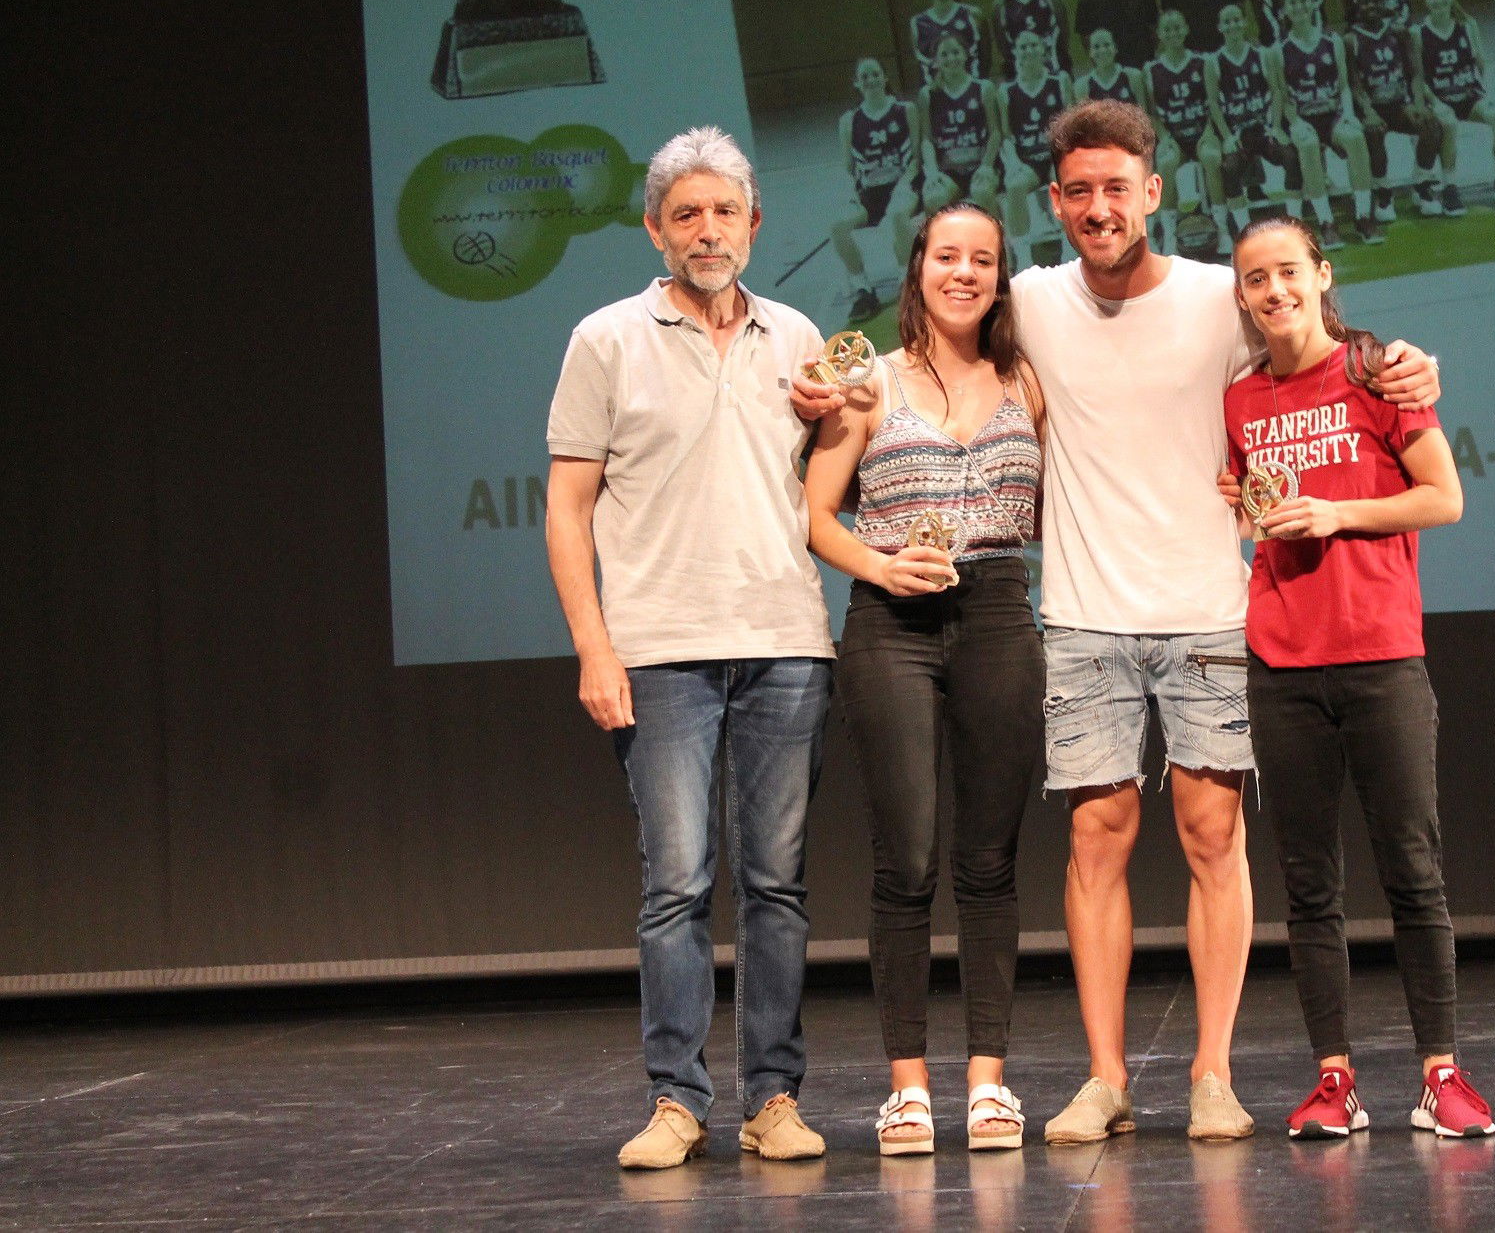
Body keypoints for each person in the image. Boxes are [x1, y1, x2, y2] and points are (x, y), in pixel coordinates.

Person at [792, 98, 1441, 1147]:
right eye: (1078, 192)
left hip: (1208, 614)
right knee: (1095, 840)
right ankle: (1102, 1078)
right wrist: (811, 392)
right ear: (1055, 202)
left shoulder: (1214, 299)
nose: (1098, 208)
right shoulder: (1031, 302)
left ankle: (1211, 1074)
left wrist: (1396, 362)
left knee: (1210, 835)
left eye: (1116, 189)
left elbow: (1312, 337)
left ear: (1152, 192)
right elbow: (905, 360)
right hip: (1085, 618)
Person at [545, 127, 833, 1171]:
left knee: (778, 883)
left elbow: (832, 478)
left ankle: (773, 1097)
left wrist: (838, 419)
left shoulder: (799, 336)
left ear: (755, 224)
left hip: (785, 642)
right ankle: (676, 1099)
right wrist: (593, 646)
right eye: (686, 214)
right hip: (659, 649)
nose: (706, 230)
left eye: (724, 212)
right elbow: (566, 505)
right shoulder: (606, 339)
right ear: (653, 228)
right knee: (674, 882)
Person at [1220, 214, 1495, 1143]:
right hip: (1283, 665)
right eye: (1255, 279)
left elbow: (1445, 497)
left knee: (1414, 873)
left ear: (1320, 274)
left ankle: (1442, 1076)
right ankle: (1333, 1079)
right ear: (1243, 296)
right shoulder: (1243, 396)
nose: (1274, 291)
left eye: (1288, 272)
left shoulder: (1376, 371)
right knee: (1310, 885)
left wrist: (1337, 514)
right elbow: (1252, 503)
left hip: (1381, 658)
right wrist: (1247, 501)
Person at [804, 203, 1047, 1157]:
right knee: (905, 858)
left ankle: (988, 1082)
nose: (965, 272)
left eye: (983, 259)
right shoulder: (868, 384)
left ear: (999, 276)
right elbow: (817, 514)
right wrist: (878, 566)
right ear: (919, 267)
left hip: (995, 611)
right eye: (948, 255)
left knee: (988, 860)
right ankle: (907, 1087)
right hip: (890, 622)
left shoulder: (1027, 377)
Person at [1275, 0, 1378, 245]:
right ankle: (1326, 221)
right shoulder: (1279, 51)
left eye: (1302, 1)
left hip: (1332, 115)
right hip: (1303, 118)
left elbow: (1344, 85)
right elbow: (1283, 95)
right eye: (1292, 3)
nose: (1298, 7)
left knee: (1355, 138)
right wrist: (1295, 122)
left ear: (1312, 4)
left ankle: (1364, 215)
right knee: (1308, 144)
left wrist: (1349, 113)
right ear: (1285, 10)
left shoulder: (1332, 42)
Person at [1413, 0, 1495, 213]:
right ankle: (1450, 186)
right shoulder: (1419, 32)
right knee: (1449, 124)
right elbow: (1418, 78)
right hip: (1441, 100)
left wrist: (1482, 91)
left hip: (1469, 97)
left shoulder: (1468, 25)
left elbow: (1481, 63)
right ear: (1425, 1)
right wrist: (1434, 102)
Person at [829, 57, 919, 321]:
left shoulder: (905, 110)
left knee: (898, 216)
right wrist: (849, 195)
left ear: (885, 78)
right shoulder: (849, 120)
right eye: (864, 76)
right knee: (838, 226)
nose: (870, 80)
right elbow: (847, 167)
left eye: (875, 74)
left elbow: (915, 158)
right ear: (857, 83)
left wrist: (904, 185)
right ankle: (863, 288)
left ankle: (907, 283)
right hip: (869, 195)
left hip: (903, 187)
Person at [1346, 0, 1444, 223]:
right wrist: (1368, 112)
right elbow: (1354, 84)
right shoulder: (1351, 40)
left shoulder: (1400, 33)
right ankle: (1383, 191)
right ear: (1357, 8)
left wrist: (1419, 103)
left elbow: (1416, 74)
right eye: (1365, 2)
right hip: (1372, 107)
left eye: (1375, 1)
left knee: (1431, 124)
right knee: (1373, 131)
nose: (1370, 6)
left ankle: (1422, 183)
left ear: (1385, 4)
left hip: (1400, 105)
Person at [1204, 1, 1298, 243]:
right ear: (1219, 27)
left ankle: (1296, 221)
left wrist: (1276, 126)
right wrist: (1226, 137)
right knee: (1229, 169)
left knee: (1290, 156)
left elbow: (1277, 91)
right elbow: (1213, 103)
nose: (1233, 25)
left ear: (1245, 23)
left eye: (1237, 19)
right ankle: (1245, 230)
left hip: (1263, 129)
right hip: (1237, 134)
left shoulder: (1263, 55)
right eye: (1227, 21)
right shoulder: (1214, 61)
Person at [1146, 8, 1216, 257]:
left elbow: (1212, 103)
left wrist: (1209, 131)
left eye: (1177, 27)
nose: (1173, 33)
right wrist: (1164, 136)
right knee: (1165, 162)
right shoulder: (1151, 70)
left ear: (1186, 29)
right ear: (1159, 35)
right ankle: (1169, 233)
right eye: (1167, 29)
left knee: (1212, 156)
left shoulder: (1202, 62)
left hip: (1200, 131)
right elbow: (1152, 112)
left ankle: (1223, 226)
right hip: (1172, 135)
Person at [1000, 32, 1071, 266]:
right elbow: (1006, 136)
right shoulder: (1006, 92)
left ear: (1043, 50)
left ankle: (1070, 244)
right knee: (1014, 185)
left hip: (1056, 154)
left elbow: (1072, 125)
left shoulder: (1059, 82)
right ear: (1015, 54)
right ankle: (1022, 257)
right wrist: (1014, 164)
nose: (1028, 50)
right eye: (1023, 46)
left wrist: (1060, 156)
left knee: (1064, 180)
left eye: (1033, 45)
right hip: (1027, 160)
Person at [917, 34, 1001, 216]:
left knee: (982, 192)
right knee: (933, 198)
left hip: (980, 164)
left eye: (955, 52)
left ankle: (1001, 241)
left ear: (966, 55)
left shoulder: (983, 88)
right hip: (949, 172)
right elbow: (927, 140)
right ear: (936, 61)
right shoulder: (928, 94)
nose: (951, 58)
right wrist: (931, 172)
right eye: (944, 54)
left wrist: (987, 165)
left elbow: (995, 133)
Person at [911, 0, 986, 83]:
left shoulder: (972, 13)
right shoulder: (918, 22)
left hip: (971, 89)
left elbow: (985, 57)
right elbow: (922, 66)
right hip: (938, 93)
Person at [1074, 27, 1146, 109]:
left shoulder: (1133, 76)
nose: (1102, 50)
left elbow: (1144, 116)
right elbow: (1084, 121)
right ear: (1090, 52)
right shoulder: (1082, 86)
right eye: (1096, 47)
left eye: (1107, 45)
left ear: (1115, 48)